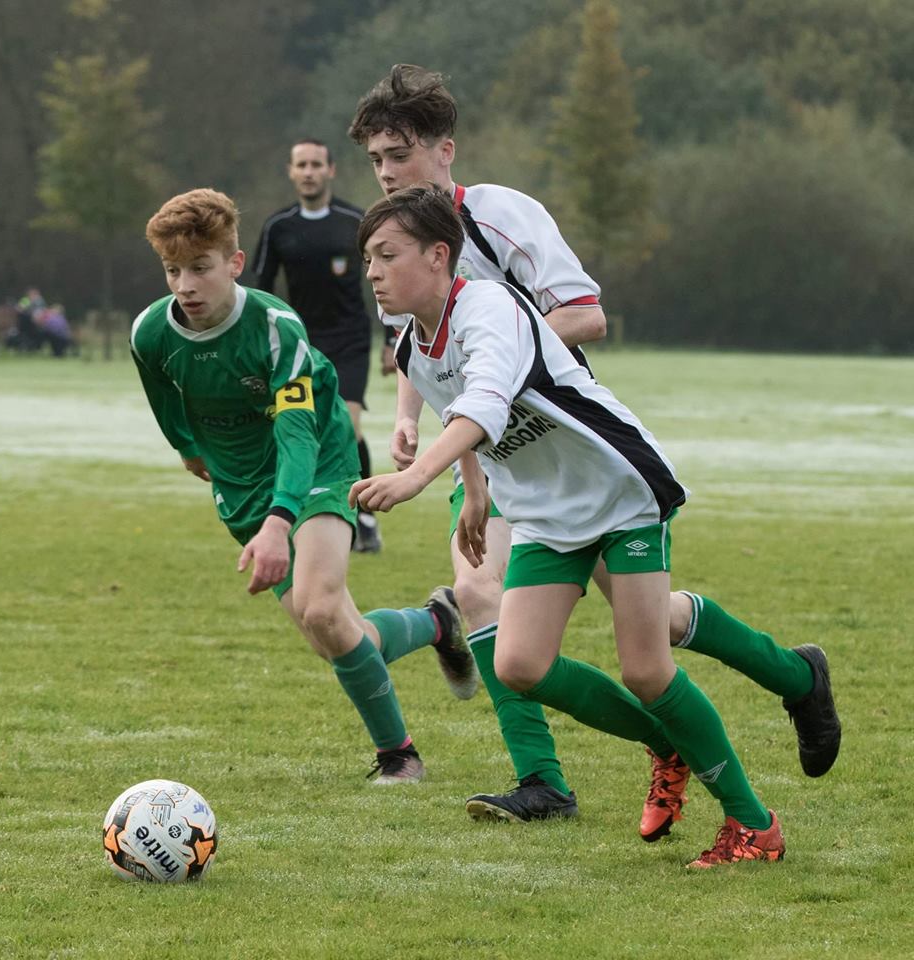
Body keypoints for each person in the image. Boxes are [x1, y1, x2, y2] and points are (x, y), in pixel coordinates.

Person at [348, 65, 840, 831]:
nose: (386, 172)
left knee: (652, 637)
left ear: (446, 150)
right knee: (486, 603)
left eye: (400, 155)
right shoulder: (397, 258)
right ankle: (544, 780)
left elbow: (584, 317)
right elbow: (439, 367)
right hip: (501, 459)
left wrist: (513, 352)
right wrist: (443, 450)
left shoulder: (499, 219)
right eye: (377, 159)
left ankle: (793, 677)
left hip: (573, 447)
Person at [131, 187, 478, 786]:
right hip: (242, 484)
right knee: (334, 633)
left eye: (200, 268)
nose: (185, 286)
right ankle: (436, 623)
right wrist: (190, 450)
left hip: (317, 460)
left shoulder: (275, 327)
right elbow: (166, 405)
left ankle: (399, 757)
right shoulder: (150, 333)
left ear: (235, 263)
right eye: (172, 270)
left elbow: (295, 435)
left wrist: (278, 521)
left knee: (320, 608)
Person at [252, 139, 384, 553]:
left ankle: (364, 515)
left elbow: (384, 278)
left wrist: (392, 339)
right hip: (301, 344)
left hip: (350, 339)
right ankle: (306, 512)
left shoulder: (355, 221)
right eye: (301, 165)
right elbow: (260, 290)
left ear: (331, 170)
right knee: (302, 428)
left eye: (315, 164)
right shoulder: (278, 227)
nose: (308, 172)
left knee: (348, 425)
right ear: (291, 172)